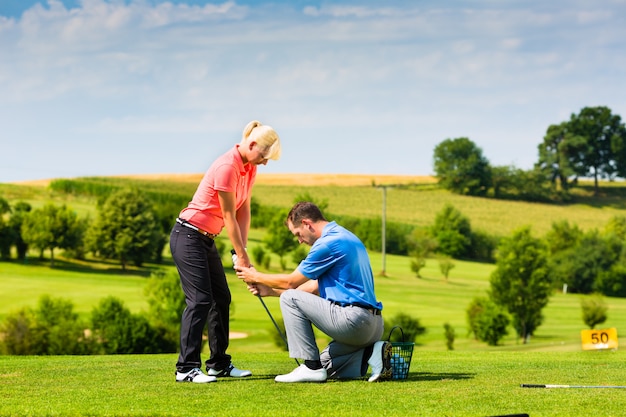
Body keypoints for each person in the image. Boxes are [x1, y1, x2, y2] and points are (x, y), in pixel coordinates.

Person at [171, 120, 281, 383]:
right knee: (199, 300)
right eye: (264, 156)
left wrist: (239, 249)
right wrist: (242, 256)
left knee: (221, 298)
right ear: (252, 144)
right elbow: (229, 216)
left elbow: (244, 211)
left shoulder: (248, 169)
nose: (264, 162)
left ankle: (218, 363)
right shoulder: (227, 166)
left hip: (206, 239)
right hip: (188, 235)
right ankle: (185, 368)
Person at [235, 201, 392, 383]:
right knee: (327, 369)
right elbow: (312, 287)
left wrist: (254, 275)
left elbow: (290, 283)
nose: (299, 240)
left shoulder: (327, 243)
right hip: (372, 328)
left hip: (353, 321)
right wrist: (270, 291)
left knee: (289, 298)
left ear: (306, 224)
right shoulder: (346, 236)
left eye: (298, 234)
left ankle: (310, 366)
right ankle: (375, 353)